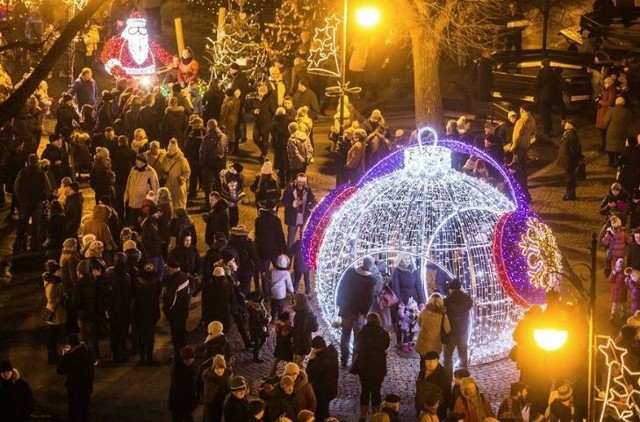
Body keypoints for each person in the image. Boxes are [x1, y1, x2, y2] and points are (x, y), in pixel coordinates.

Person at [336, 257, 377, 368]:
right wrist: (364, 313)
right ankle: (355, 361)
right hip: (358, 314)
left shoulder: (350, 273)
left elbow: (341, 288)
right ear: (371, 266)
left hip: (347, 310)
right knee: (358, 338)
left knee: (345, 335)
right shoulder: (371, 280)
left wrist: (339, 303)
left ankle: (344, 359)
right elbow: (369, 299)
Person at [353, 312, 390, 422]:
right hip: (378, 366)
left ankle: (363, 416)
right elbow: (386, 346)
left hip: (364, 366)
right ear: (378, 321)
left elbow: (357, 347)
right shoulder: (383, 333)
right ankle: (376, 416)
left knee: (364, 390)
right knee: (376, 391)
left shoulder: (362, 333)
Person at [13, 153, 51, 253]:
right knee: (36, 225)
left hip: (24, 203)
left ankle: (19, 245)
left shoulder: (22, 172)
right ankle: (34, 246)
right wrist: (44, 199)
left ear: (28, 162)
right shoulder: (42, 173)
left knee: (22, 224)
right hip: (37, 203)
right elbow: (48, 189)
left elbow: (16, 187)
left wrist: (20, 199)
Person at [57, 333, 95, 422]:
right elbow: (93, 360)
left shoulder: (69, 355)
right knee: (84, 410)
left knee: (73, 410)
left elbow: (60, 370)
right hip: (87, 384)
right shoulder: (88, 350)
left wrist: (63, 355)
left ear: (69, 344)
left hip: (74, 386)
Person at [505, 104, 536, 202]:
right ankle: (526, 195)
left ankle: (520, 196)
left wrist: (512, 147)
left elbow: (517, 137)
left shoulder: (521, 121)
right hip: (525, 149)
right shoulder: (532, 120)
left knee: (517, 173)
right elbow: (534, 134)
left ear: (522, 110)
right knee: (523, 173)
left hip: (518, 149)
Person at [132, 262, 161, 365]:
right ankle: (149, 357)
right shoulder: (156, 282)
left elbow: (134, 294)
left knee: (141, 335)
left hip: (140, 311)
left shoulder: (137, 282)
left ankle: (142, 357)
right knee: (150, 335)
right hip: (152, 312)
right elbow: (158, 293)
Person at [443, 279, 473, 377]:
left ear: (451, 289)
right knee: (463, 356)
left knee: (448, 357)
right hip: (463, 332)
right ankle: (463, 377)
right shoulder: (468, 299)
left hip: (451, 333)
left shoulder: (446, 301)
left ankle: (448, 377)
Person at [306, 335, 339, 421]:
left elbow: (309, 373)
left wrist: (311, 359)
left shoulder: (322, 360)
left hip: (321, 391)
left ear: (316, 348)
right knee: (324, 410)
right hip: (330, 388)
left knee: (321, 413)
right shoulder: (330, 354)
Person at [163, 259, 192, 354]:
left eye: (167, 268)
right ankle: (183, 353)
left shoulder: (173, 282)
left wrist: (166, 310)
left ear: (172, 269)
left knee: (176, 336)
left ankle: (179, 355)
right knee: (181, 334)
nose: (166, 269)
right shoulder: (184, 276)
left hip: (175, 314)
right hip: (183, 311)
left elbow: (170, 300)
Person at [124, 154, 160, 227]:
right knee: (133, 221)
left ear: (143, 162)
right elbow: (128, 183)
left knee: (142, 222)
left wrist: (154, 201)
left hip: (143, 203)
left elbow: (155, 187)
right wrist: (126, 194)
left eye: (138, 160)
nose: (136, 162)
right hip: (132, 201)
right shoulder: (133, 169)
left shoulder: (151, 172)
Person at [282, 173, 315, 249]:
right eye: (300, 182)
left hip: (304, 217)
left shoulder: (307, 189)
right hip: (293, 217)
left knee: (303, 239)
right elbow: (284, 201)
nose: (301, 184)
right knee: (290, 240)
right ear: (296, 180)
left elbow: (311, 199)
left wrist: (311, 204)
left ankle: (300, 256)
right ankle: (289, 256)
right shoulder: (290, 189)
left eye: (303, 182)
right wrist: (293, 204)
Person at [415, 351, 452, 420]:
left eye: (431, 362)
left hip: (435, 412)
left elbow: (446, 395)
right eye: (426, 362)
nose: (428, 364)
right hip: (422, 407)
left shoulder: (443, 377)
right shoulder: (423, 371)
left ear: (436, 361)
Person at [416, 293, 451, 360]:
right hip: (435, 345)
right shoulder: (443, 315)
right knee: (433, 364)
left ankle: (423, 370)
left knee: (422, 362)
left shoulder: (424, 311)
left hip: (423, 343)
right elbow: (447, 329)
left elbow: (419, 322)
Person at [200, 119, 228, 200]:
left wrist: (202, 163)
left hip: (209, 163)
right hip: (220, 162)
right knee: (219, 182)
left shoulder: (206, 138)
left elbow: (202, 152)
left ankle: (209, 202)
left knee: (208, 184)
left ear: (209, 127)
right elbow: (226, 150)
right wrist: (224, 162)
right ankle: (219, 200)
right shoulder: (224, 136)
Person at [556, 119, 583, 201]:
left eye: (567, 123)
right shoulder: (568, 133)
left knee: (570, 179)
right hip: (567, 160)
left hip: (569, 161)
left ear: (571, 125)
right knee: (569, 178)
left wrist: (579, 157)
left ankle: (570, 195)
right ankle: (569, 194)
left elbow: (574, 148)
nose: (565, 124)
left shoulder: (571, 134)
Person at [169, 345, 198, 422]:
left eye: (191, 359)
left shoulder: (193, 367)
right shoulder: (177, 369)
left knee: (188, 417)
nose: (190, 361)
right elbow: (178, 386)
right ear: (183, 359)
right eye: (187, 360)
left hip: (188, 400)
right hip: (178, 401)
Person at [533, 57, 560, 137]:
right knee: (548, 113)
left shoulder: (541, 74)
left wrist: (536, 96)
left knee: (544, 114)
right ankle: (550, 129)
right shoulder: (552, 73)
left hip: (543, 98)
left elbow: (536, 85)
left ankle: (546, 132)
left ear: (543, 65)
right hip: (550, 97)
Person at [603, 96, 632, 168]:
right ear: (623, 103)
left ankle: (611, 163)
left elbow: (605, 121)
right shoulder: (627, 112)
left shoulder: (610, 111)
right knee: (620, 148)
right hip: (622, 132)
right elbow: (629, 122)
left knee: (610, 148)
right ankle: (618, 162)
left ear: (616, 103)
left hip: (611, 133)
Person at [162, 138, 191, 209]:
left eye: (172, 149)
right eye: (170, 149)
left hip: (178, 185)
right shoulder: (165, 158)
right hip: (168, 184)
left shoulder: (182, 160)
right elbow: (162, 169)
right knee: (169, 202)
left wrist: (183, 178)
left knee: (179, 203)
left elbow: (187, 171)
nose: (171, 151)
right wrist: (164, 175)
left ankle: (180, 218)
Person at [202, 354, 230, 422]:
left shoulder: (227, 378)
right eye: (216, 368)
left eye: (221, 368)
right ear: (213, 368)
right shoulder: (209, 378)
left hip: (221, 406)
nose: (219, 370)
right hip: (211, 407)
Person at [292, 292, 318, 366]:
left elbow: (300, 330)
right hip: (305, 341)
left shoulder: (301, 314)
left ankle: (303, 377)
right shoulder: (307, 310)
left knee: (298, 365)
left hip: (301, 343)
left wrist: (289, 328)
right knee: (297, 363)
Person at [246, 291, 269, 363]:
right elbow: (257, 320)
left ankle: (255, 352)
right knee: (258, 341)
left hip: (259, 326)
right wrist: (267, 320)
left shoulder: (258, 306)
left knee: (262, 340)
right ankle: (255, 356)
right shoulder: (254, 309)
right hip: (256, 327)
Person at [595, 76, 617, 152]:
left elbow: (610, 102)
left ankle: (604, 146)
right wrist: (599, 97)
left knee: (604, 131)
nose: (604, 84)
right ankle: (604, 146)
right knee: (602, 131)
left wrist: (600, 102)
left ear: (610, 83)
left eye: (605, 83)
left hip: (605, 113)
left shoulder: (611, 91)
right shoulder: (605, 89)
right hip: (602, 112)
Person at [270, 311, 294, 378]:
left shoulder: (282, 328)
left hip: (284, 349)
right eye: (289, 320)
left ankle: (285, 377)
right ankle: (273, 377)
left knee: (285, 365)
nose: (290, 321)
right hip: (284, 349)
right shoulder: (283, 328)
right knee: (277, 363)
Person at [270, 254, 294, 320]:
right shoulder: (286, 273)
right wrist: (292, 292)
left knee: (273, 307)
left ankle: (273, 319)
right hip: (281, 294)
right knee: (281, 308)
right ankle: (280, 320)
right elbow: (289, 284)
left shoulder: (272, 271)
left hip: (273, 293)